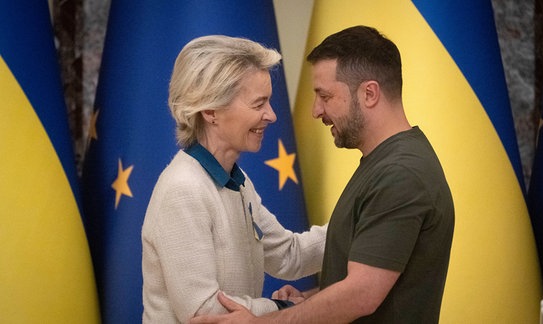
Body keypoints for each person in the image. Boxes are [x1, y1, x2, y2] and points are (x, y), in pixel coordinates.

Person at [189, 25, 455, 323]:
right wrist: (308, 301)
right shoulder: (384, 164)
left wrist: (259, 322)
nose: (316, 110)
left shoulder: (400, 174)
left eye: (325, 96)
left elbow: (360, 295)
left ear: (369, 93)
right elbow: (365, 276)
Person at [141, 35, 326, 323]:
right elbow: (203, 309)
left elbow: (289, 255)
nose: (272, 115)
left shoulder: (237, 183)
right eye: (258, 104)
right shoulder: (184, 189)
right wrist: (283, 311)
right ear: (211, 110)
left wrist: (361, 226)